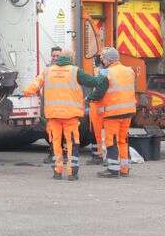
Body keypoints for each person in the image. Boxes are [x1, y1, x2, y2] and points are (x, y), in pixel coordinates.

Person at [23, 48, 103, 181]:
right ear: (71, 58)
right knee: (72, 143)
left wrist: (26, 93)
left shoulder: (47, 71)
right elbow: (93, 82)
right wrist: (102, 75)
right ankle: (72, 173)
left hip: (53, 115)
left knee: (56, 142)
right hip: (70, 116)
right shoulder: (75, 71)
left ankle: (57, 171)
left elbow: (34, 85)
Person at [88, 47, 136, 178]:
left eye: (103, 58)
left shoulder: (106, 72)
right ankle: (125, 169)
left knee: (111, 141)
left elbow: (98, 92)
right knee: (123, 140)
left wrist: (89, 98)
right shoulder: (129, 71)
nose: (101, 60)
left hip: (113, 113)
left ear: (109, 59)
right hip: (128, 112)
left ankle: (113, 170)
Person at [43, 46, 63, 164]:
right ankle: (53, 154)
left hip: (63, 107)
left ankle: (59, 155)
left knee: (62, 133)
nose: (55, 58)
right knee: (51, 132)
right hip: (51, 107)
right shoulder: (47, 70)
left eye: (57, 56)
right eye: (53, 56)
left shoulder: (67, 69)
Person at [87, 55, 108, 165]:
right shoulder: (103, 71)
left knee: (98, 133)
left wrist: (89, 97)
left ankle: (98, 155)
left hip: (99, 107)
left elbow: (99, 91)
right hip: (98, 107)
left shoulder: (101, 72)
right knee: (97, 133)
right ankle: (98, 154)